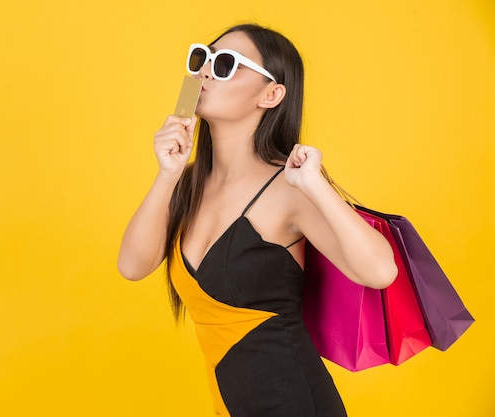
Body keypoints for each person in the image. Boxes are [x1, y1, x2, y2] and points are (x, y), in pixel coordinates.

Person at [117, 23, 397, 417]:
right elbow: (132, 266)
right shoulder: (186, 185)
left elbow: (381, 271)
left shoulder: (290, 187)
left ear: (271, 94)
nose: (206, 71)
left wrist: (316, 187)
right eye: (203, 57)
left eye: (227, 63)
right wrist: (168, 173)